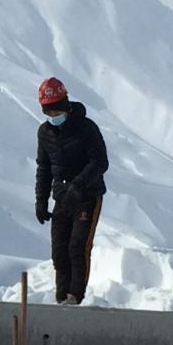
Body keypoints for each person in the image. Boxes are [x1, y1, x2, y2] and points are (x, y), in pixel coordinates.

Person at [32, 77, 108, 305]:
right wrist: (41, 200)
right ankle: (61, 298)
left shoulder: (87, 128)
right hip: (62, 198)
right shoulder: (45, 133)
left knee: (78, 247)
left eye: (57, 111)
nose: (54, 117)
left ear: (65, 104)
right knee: (59, 251)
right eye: (49, 113)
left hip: (88, 196)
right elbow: (43, 168)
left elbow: (100, 162)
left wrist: (78, 185)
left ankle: (75, 298)